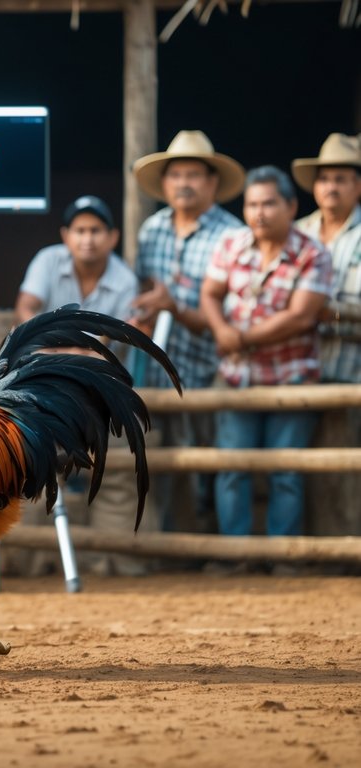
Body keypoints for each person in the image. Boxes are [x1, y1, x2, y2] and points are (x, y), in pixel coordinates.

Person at [13, 196, 153, 576]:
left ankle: (114, 562)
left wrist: (58, 348)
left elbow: (110, 345)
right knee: (27, 464)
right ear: (66, 235)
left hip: (100, 394)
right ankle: (27, 561)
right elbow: (25, 308)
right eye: (80, 230)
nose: (87, 238)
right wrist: (68, 350)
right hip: (39, 388)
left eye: (95, 230)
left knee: (117, 474)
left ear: (112, 237)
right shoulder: (47, 260)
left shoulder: (124, 279)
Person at [199, 166, 332, 554]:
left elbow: (301, 316)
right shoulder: (231, 243)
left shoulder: (312, 252)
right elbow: (210, 293)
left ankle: (284, 556)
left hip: (292, 377)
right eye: (252, 204)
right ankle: (234, 556)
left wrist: (236, 336)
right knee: (231, 470)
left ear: (291, 206)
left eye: (269, 203)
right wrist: (221, 329)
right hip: (237, 376)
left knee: (285, 472)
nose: (259, 212)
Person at [130, 130, 244, 536]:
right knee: (165, 459)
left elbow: (229, 314)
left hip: (211, 364)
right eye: (176, 174)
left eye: (194, 174)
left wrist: (173, 306)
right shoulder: (152, 230)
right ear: (164, 183)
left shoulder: (232, 235)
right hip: (160, 366)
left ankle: (211, 541)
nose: (184, 183)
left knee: (212, 459)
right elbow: (144, 295)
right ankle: (172, 542)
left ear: (212, 182)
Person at [293, 133, 361, 384]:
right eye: (324, 179)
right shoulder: (296, 233)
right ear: (314, 187)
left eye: (340, 179)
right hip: (297, 374)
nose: (331, 187)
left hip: (353, 373)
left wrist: (332, 312)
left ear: (358, 186)